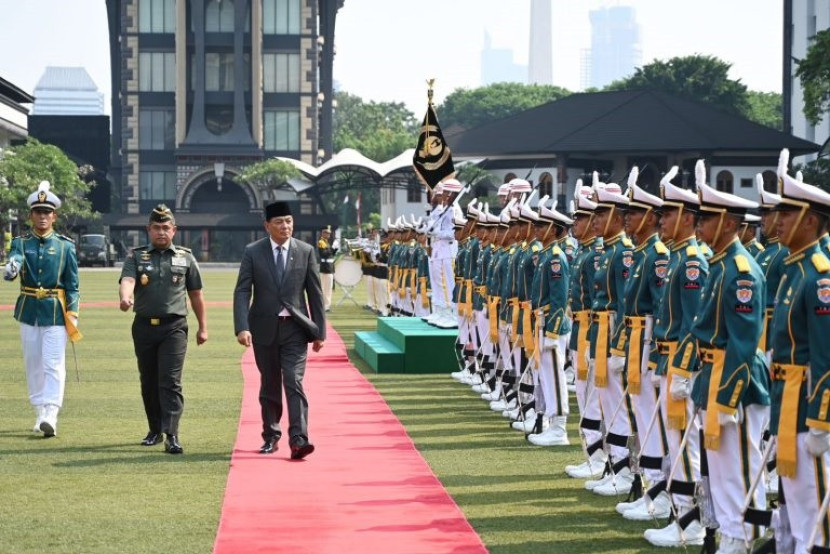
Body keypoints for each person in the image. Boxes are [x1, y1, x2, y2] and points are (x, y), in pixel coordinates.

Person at [233, 201, 326, 459]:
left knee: (293, 381)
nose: (285, 227)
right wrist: (242, 327)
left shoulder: (305, 251)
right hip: (263, 329)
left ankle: (299, 438)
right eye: (279, 222)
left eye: (288, 221)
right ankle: (271, 435)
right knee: (269, 384)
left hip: (296, 329)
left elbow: (315, 294)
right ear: (267, 226)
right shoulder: (253, 252)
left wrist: (320, 332)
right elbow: (242, 291)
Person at [119, 204, 208, 455]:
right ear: (148, 229)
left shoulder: (185, 257)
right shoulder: (136, 256)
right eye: (156, 227)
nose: (161, 232)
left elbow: (196, 295)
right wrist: (126, 298)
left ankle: (172, 434)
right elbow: (127, 280)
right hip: (144, 327)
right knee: (149, 380)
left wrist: (203, 327)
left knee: (169, 381)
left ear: (174, 230)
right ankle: (154, 430)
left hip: (174, 328)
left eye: (165, 228)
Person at [4, 181, 81, 438]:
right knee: (33, 364)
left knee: (53, 364)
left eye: (47, 212)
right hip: (28, 310)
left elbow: (73, 285)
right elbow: (15, 260)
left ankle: (51, 414)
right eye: (38, 212)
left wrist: (73, 313)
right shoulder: (21, 243)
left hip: (56, 311)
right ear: (31, 216)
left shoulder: (65, 246)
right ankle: (39, 411)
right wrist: (11, 268)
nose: (43, 216)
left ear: (54, 216)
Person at [317, 226, 337, 312]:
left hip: (329, 267)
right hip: (326, 268)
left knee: (328, 288)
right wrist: (332, 248)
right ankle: (324, 306)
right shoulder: (321, 242)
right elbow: (324, 254)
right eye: (327, 233)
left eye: (329, 233)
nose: (329, 234)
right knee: (325, 288)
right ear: (323, 233)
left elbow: (331, 254)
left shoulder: (327, 242)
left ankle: (326, 306)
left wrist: (335, 249)